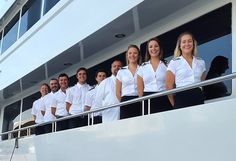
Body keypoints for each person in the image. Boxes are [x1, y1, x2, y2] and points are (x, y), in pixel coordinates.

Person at [166, 32, 206, 109]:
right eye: (184, 42)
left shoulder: (201, 62)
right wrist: (175, 104)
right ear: (180, 46)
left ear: (193, 44)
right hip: (181, 97)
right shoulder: (174, 62)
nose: (187, 44)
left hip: (198, 96)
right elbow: (168, 86)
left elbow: (202, 83)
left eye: (189, 41)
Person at [137, 38, 172, 114]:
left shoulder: (167, 65)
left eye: (156, 46)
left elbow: (171, 83)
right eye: (151, 47)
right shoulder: (142, 67)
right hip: (148, 99)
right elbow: (140, 90)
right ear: (148, 50)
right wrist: (143, 103)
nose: (153, 49)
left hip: (164, 97)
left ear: (160, 48)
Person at [116, 45, 141, 119]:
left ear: (138, 55)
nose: (132, 55)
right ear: (127, 55)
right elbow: (118, 91)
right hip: (125, 101)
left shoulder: (142, 68)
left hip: (139, 99)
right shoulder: (121, 71)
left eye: (135, 53)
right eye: (130, 53)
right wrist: (123, 102)